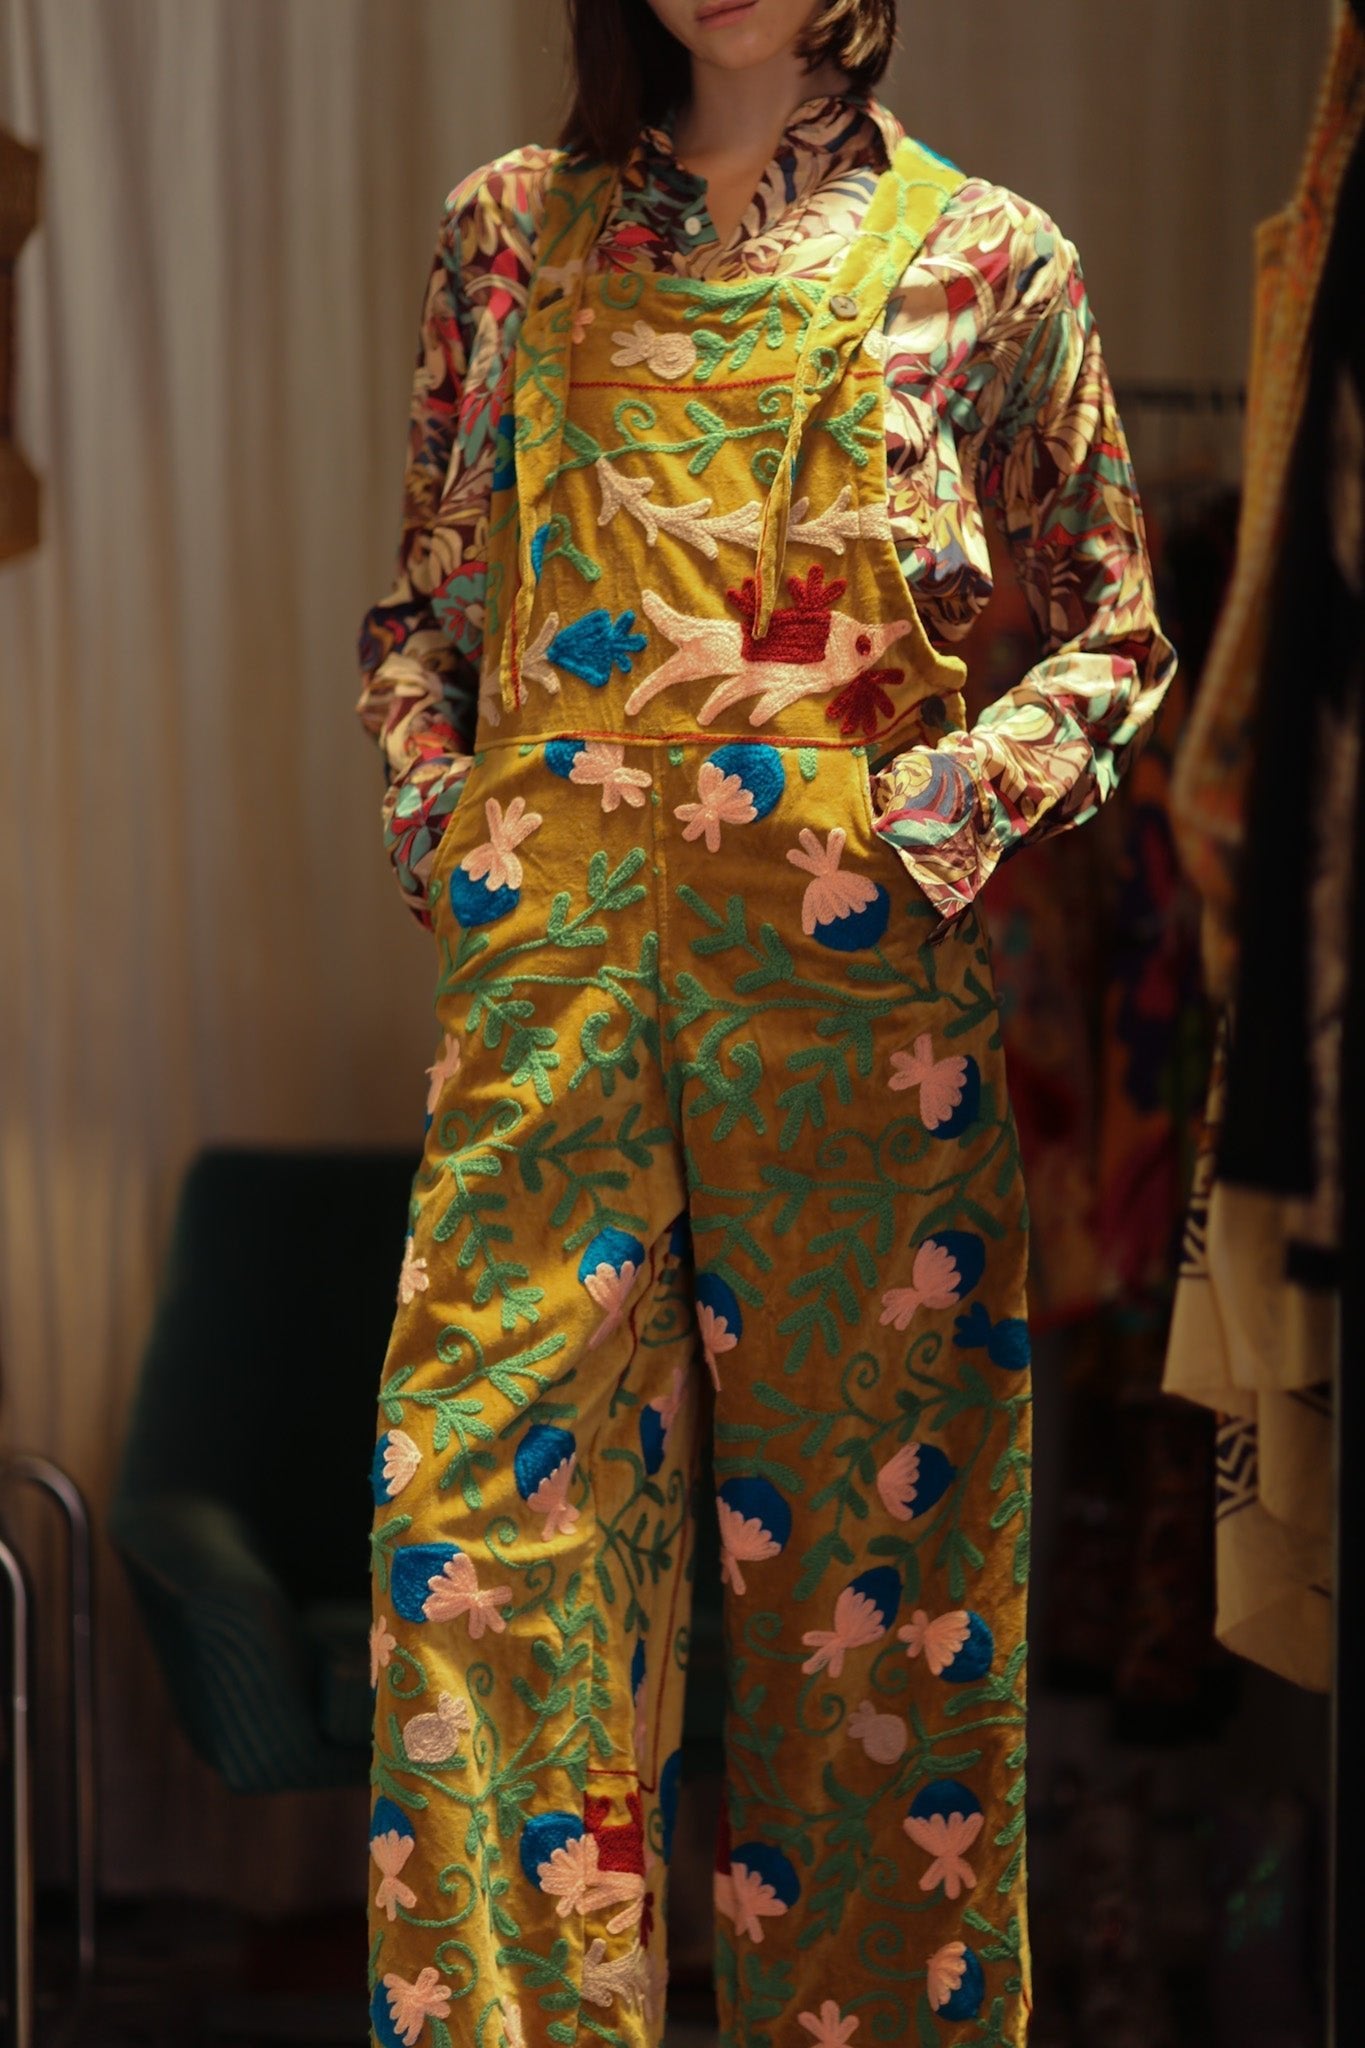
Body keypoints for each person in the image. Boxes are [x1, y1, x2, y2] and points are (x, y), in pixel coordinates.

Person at [356, 4, 1173, 2044]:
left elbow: (1111, 628)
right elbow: (426, 617)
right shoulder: (507, 232)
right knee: (477, 1549)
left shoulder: (989, 260)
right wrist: (461, 840)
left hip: (847, 979)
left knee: (877, 1593)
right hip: (552, 982)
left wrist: (925, 826)